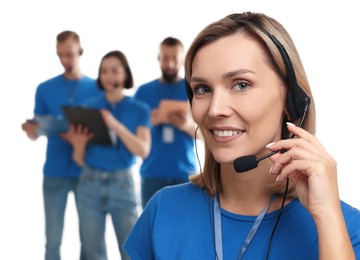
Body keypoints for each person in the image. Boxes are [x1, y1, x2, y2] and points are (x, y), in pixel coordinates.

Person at [124, 12, 360, 259]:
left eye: (241, 84)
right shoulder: (163, 210)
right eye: (202, 89)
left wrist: (327, 216)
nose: (215, 109)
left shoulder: (343, 227)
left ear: (292, 101)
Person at [62, 50, 151, 260]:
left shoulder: (139, 109)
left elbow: (143, 150)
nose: (109, 76)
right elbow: (78, 159)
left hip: (123, 186)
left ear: (125, 74)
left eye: (114, 71)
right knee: (92, 253)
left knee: (131, 253)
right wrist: (79, 145)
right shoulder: (88, 108)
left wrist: (114, 125)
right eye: (104, 72)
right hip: (89, 184)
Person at [21, 30, 101, 260]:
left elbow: (104, 131)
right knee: (53, 240)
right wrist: (32, 131)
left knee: (89, 239)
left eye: (70, 55)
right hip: (54, 172)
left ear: (81, 52)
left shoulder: (97, 88)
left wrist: (78, 136)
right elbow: (35, 134)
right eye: (60, 55)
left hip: (87, 172)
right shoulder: (44, 89)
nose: (65, 61)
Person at [134, 36, 198, 208]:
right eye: (165, 58)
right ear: (158, 58)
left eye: (174, 59)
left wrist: (185, 125)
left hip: (185, 173)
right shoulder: (143, 92)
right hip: (152, 173)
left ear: (182, 60)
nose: (169, 64)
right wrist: (150, 121)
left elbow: (205, 134)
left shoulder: (193, 90)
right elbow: (130, 133)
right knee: (152, 230)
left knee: (186, 228)